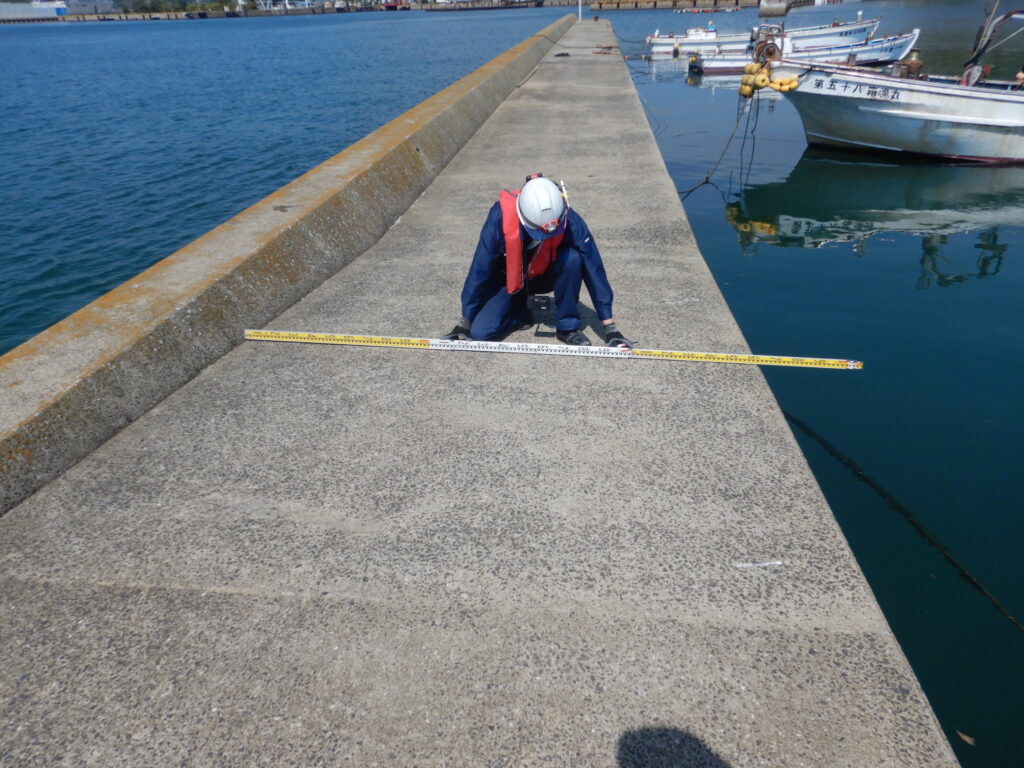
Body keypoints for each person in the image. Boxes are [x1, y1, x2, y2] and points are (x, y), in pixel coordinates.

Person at [443, 174, 631, 348]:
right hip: (509, 280)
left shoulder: (570, 220)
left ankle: (567, 327)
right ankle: (519, 312)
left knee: (572, 259)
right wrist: (464, 320)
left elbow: (594, 268)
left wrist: (610, 327)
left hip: (545, 275)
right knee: (480, 334)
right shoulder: (499, 217)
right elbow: (480, 268)